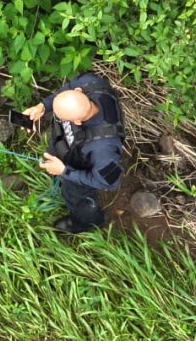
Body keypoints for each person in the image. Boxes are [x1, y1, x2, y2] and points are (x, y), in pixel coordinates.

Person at [21, 73, 125, 234]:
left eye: (61, 118)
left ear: (77, 122)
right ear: (78, 91)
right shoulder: (90, 82)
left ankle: (87, 222)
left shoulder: (103, 149)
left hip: (80, 168)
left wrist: (64, 171)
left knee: (76, 197)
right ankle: (58, 176)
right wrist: (42, 107)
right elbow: (64, 90)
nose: (56, 117)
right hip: (66, 147)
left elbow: (109, 183)